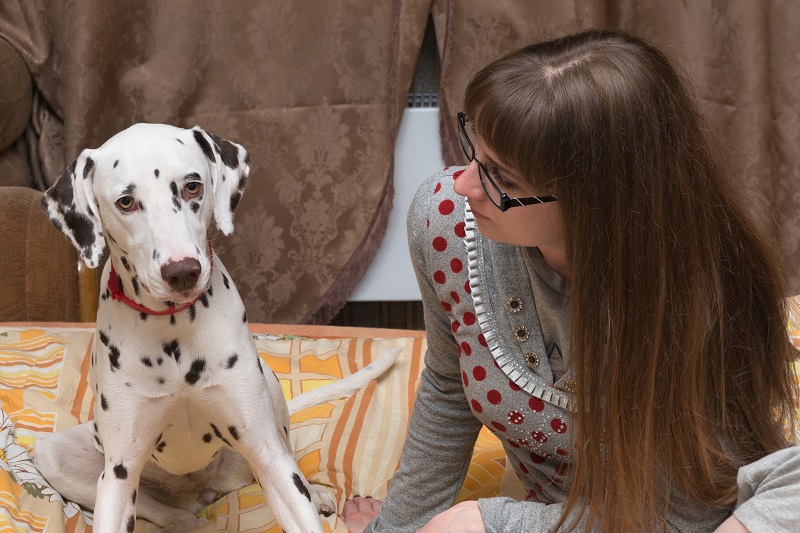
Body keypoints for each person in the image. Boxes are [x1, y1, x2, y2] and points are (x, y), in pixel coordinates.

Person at [341, 29, 800, 532]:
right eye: (474, 150)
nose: (464, 184)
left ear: (596, 205)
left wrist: (488, 522)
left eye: (503, 178)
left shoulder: (706, 290)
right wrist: (400, 526)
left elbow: (687, 516)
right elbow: (451, 386)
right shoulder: (445, 222)